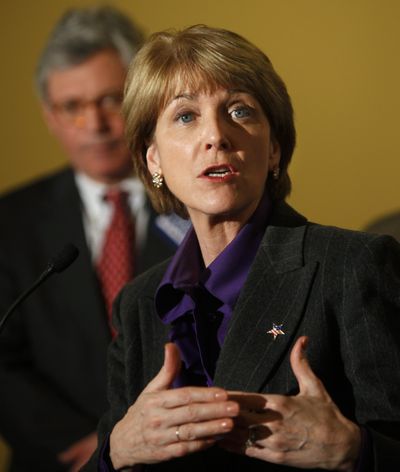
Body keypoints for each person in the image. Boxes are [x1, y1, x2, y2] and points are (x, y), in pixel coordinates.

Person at [85, 25, 400, 471]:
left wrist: (355, 450)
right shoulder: (138, 304)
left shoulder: (352, 267)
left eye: (239, 111)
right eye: (186, 116)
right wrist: (116, 453)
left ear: (273, 148)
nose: (216, 135)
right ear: (153, 158)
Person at [0, 7, 188, 472]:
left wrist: (142, 439)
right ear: (50, 115)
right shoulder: (9, 219)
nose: (95, 126)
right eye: (72, 107)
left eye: (110, 100)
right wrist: (101, 444)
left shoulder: (205, 203)